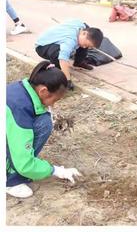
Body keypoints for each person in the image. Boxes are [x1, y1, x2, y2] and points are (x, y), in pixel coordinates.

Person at [6, 61, 82, 198]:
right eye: (54, 100)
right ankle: (10, 180)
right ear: (43, 91)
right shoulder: (19, 110)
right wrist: (55, 170)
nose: (53, 104)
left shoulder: (21, 90)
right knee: (44, 123)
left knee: (43, 119)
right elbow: (24, 164)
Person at [35, 19, 103, 90]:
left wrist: (88, 44)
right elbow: (63, 60)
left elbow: (89, 35)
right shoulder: (70, 40)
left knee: (82, 44)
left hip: (58, 38)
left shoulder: (82, 27)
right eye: (86, 45)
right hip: (42, 46)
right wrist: (68, 80)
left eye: (88, 46)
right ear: (84, 33)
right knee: (58, 55)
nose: (85, 47)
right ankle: (56, 74)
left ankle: (78, 62)